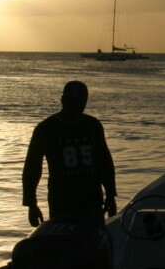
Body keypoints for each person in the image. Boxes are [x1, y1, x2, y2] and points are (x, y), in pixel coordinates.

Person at [23, 80, 117, 226]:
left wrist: (110, 195)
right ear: (62, 100)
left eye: (81, 100)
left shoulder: (93, 126)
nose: (77, 104)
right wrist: (31, 204)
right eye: (72, 100)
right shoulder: (46, 129)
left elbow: (105, 162)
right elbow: (32, 168)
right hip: (62, 203)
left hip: (91, 201)